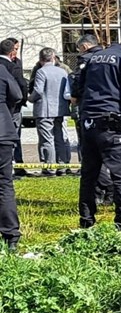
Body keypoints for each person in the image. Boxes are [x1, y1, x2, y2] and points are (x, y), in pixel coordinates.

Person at [77, 37, 121, 231]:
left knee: (89, 174)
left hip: (89, 121)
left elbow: (78, 88)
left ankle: (86, 219)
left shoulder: (93, 57)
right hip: (112, 122)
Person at [69, 35, 113, 200]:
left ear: (85, 46)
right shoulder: (109, 58)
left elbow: (77, 88)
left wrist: (74, 97)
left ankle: (107, 187)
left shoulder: (85, 60)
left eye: (79, 48)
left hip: (88, 111)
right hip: (109, 111)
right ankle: (105, 191)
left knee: (90, 154)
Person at [29, 47, 72, 175]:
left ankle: (50, 167)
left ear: (40, 59)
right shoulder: (62, 72)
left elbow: (38, 91)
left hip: (45, 110)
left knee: (47, 139)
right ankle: (62, 166)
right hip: (60, 109)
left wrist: (30, 99)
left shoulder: (41, 72)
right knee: (60, 138)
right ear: (53, 57)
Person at [0, 60, 22, 251]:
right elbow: (16, 94)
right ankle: (11, 235)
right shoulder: (1, 69)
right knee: (4, 184)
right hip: (3, 132)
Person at [0, 38, 26, 177]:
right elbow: (19, 87)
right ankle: (17, 165)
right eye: (16, 49)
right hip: (11, 108)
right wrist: (23, 99)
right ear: (11, 52)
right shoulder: (12, 66)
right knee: (13, 138)